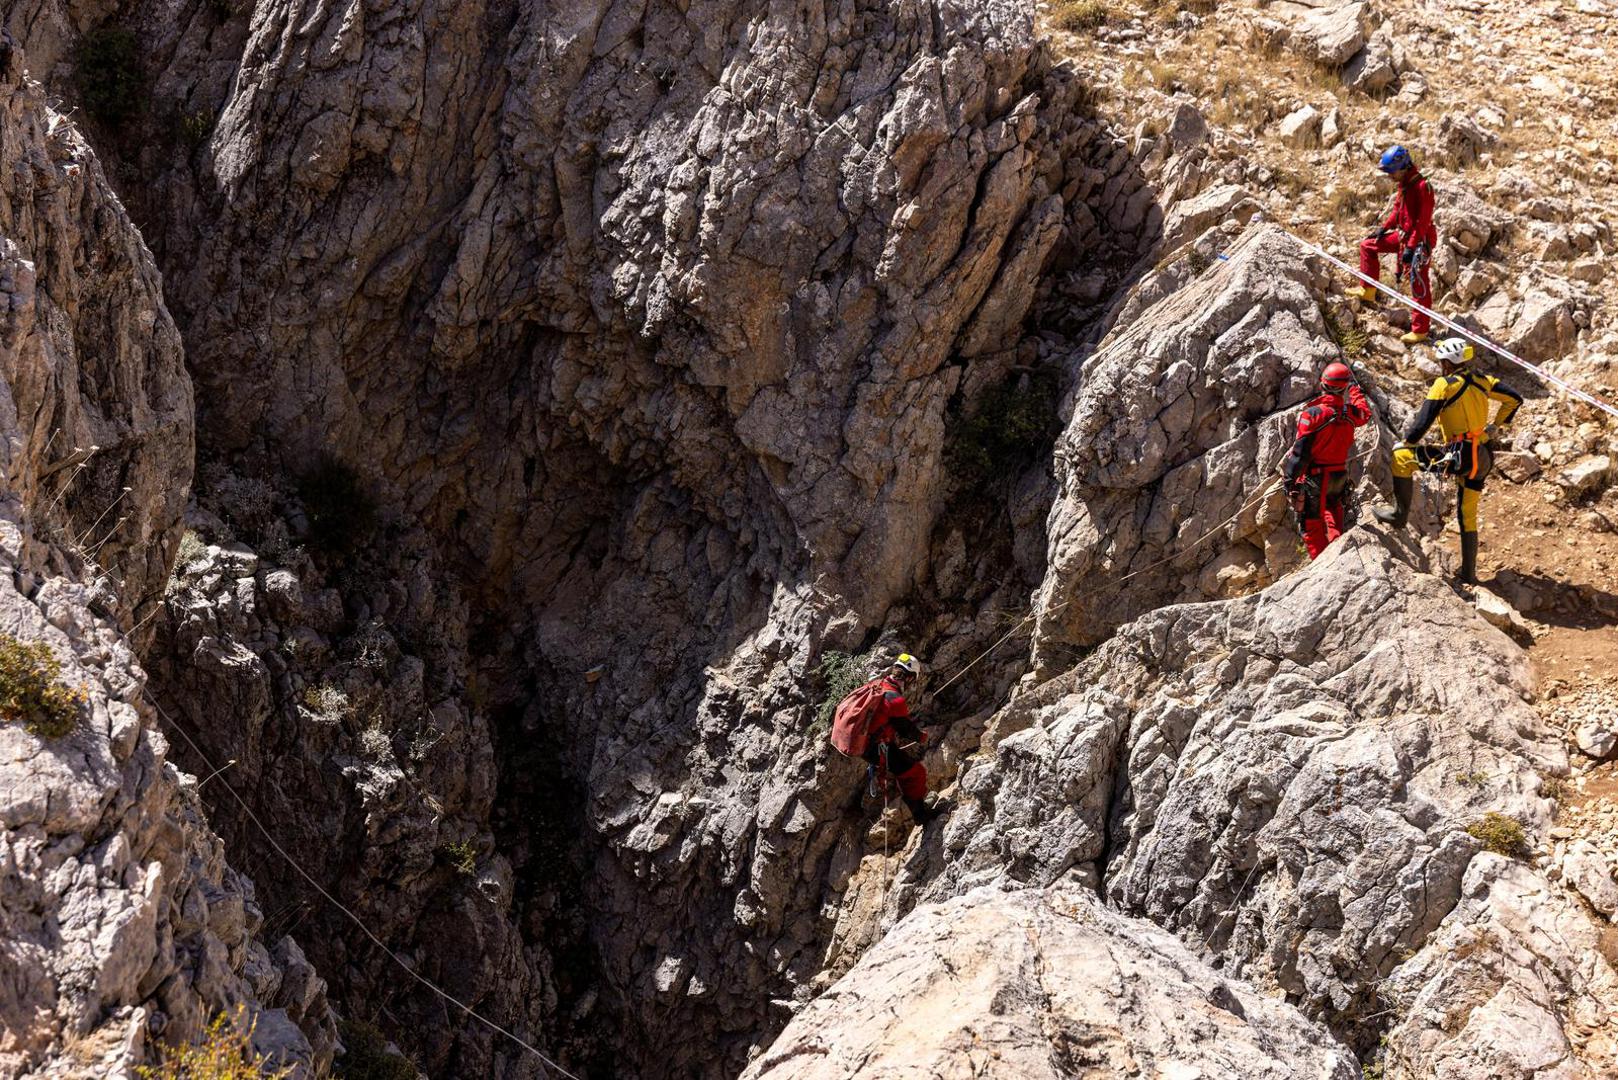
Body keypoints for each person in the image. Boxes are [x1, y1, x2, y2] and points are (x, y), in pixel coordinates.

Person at [1374, 337, 1524, 585]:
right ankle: (1468, 574)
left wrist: (1408, 442)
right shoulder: (1482, 380)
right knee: (1467, 513)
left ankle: (1399, 515)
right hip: (1483, 455)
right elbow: (1515, 399)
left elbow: (1423, 421)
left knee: (1401, 457)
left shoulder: (1444, 385)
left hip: (1459, 457)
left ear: (1446, 363)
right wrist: (1496, 426)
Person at [1347, 145, 1437, 345]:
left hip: (1420, 241)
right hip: (1405, 237)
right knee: (1368, 245)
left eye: (1391, 171)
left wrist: (1412, 247)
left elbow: (1422, 222)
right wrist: (1384, 228)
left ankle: (1420, 330)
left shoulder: (1423, 187)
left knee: (1418, 283)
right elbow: (1398, 210)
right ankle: (1367, 289)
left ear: (1403, 167)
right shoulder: (1404, 183)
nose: (1389, 176)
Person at [1282, 362, 1373, 559]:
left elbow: (1300, 454)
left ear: (1322, 384)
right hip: (1339, 475)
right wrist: (1355, 391)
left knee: (1311, 525)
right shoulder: (1350, 413)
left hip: (1317, 478)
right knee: (1333, 514)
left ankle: (1323, 564)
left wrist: (1289, 481)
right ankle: (1339, 555)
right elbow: (1365, 413)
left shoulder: (1313, 414)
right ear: (1343, 388)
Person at [860, 654, 940, 826]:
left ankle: (918, 810)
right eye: (913, 680)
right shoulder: (895, 699)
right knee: (915, 772)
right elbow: (905, 729)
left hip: (867, 745)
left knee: (904, 771)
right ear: (910, 677)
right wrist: (922, 737)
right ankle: (921, 815)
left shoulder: (878, 684)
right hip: (878, 748)